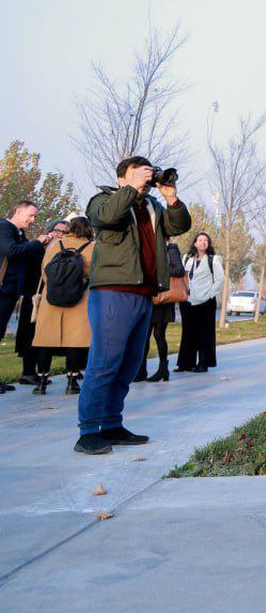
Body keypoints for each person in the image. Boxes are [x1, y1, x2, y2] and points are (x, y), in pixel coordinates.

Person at [75, 157, 191, 455]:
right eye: (139, 173)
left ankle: (112, 424)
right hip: (113, 291)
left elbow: (180, 225)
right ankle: (88, 431)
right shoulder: (104, 198)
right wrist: (132, 188)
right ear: (121, 179)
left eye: (148, 173)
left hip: (144, 292)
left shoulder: (152, 206)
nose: (146, 178)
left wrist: (171, 198)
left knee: (128, 365)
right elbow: (106, 218)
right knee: (105, 362)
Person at [32, 217, 94, 395]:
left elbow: (45, 271)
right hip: (79, 297)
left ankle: (41, 381)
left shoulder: (54, 245)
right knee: (75, 340)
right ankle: (72, 381)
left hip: (51, 297)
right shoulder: (92, 247)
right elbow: (94, 272)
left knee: (45, 340)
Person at [1, 202, 57, 391]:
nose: (32, 220)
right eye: (30, 215)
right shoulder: (4, 227)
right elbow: (11, 251)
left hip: (10, 291)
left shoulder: (18, 233)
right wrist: (37, 242)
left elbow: (26, 253)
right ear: (18, 211)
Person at [136, 238, 188, 382]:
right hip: (150, 297)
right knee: (144, 336)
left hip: (163, 299)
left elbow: (179, 270)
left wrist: (158, 268)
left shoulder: (171, 249)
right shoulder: (147, 248)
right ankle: (141, 370)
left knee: (159, 335)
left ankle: (163, 369)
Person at [176, 232, 223, 373]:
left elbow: (220, 279)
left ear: (208, 244)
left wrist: (209, 294)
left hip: (205, 302)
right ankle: (185, 363)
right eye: (200, 240)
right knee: (188, 332)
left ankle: (203, 363)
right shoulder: (186, 258)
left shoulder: (213, 260)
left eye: (205, 240)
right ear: (195, 243)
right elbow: (182, 276)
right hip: (188, 301)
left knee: (205, 333)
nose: (203, 242)